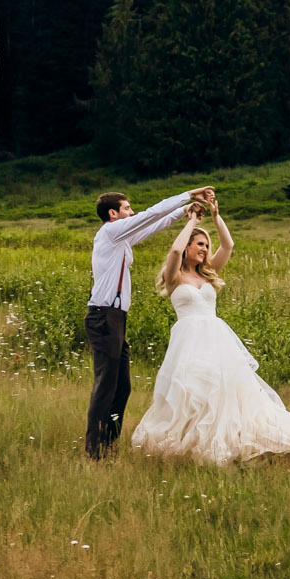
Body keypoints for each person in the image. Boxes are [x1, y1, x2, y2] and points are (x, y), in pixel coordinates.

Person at [131, 195, 290, 465]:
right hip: (189, 343)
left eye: (206, 245)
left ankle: (238, 442)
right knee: (191, 391)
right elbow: (175, 252)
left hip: (217, 340)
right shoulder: (174, 277)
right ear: (188, 246)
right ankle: (190, 444)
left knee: (226, 392)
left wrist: (215, 216)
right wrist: (191, 222)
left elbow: (229, 244)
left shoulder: (207, 272)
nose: (205, 249)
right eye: (200, 244)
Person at [86, 185, 214, 458]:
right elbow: (149, 215)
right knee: (106, 385)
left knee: (122, 386)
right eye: (127, 208)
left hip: (116, 318)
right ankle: (95, 451)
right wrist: (189, 195)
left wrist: (185, 212)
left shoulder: (121, 239)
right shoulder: (110, 232)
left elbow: (154, 224)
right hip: (103, 316)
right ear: (113, 213)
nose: (132, 212)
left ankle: (109, 444)